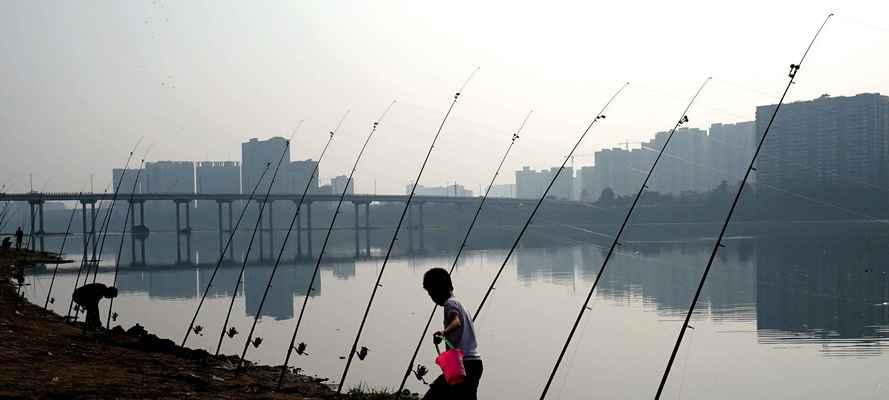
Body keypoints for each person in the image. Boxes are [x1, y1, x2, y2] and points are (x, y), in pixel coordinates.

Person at [421, 268, 483, 400]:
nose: (432, 298)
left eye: (431, 293)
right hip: (474, 364)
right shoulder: (459, 303)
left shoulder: (450, 304)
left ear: (438, 291)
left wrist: (443, 333)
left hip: (464, 365)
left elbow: (456, 322)